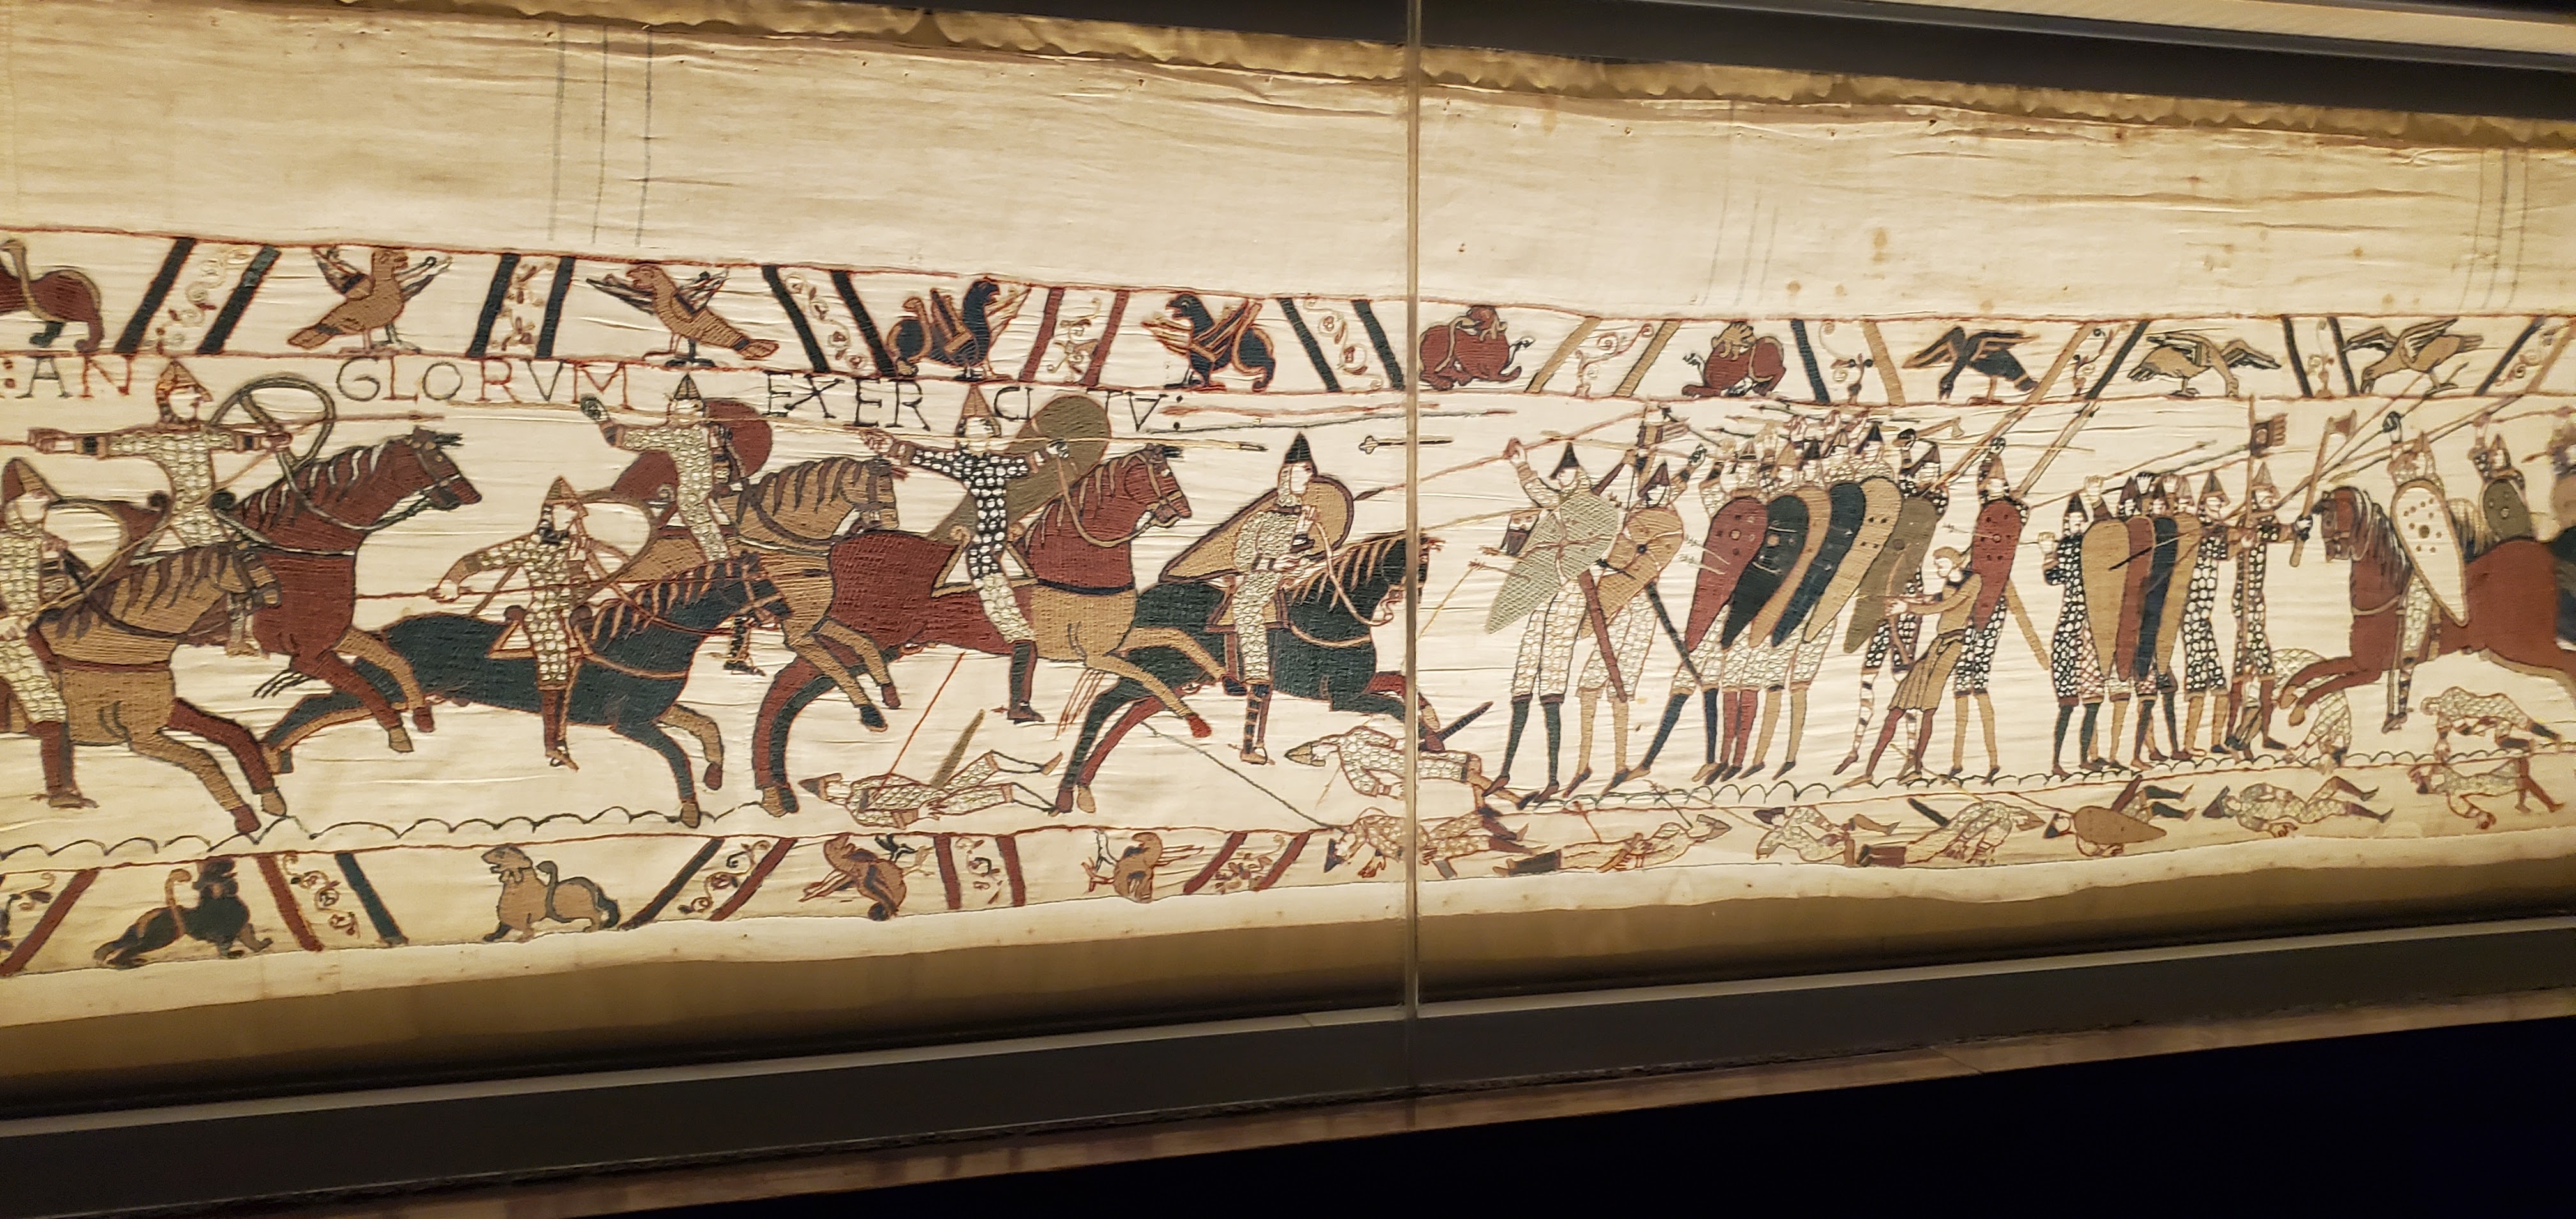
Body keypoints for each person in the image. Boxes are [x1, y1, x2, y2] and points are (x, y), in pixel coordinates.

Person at [31, 361, 288, 654]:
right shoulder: (158, 439)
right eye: (186, 392)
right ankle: (227, 631)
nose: (196, 399)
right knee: (232, 562)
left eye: (196, 393)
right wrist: (63, 444)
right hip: (187, 515)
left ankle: (241, 630)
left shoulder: (203, 433)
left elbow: (237, 440)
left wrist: (270, 441)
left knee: (254, 550)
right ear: (167, 400)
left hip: (209, 511)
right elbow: (115, 444)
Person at [859, 387, 1043, 722]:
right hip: (984, 559)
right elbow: (924, 457)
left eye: (983, 427)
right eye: (971, 429)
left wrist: (1055, 450)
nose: (978, 433)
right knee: (1021, 636)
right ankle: (1019, 705)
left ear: (991, 431)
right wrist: (891, 447)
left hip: (1000, 550)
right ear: (962, 435)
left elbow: (1024, 465)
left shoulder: (998, 464)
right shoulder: (963, 463)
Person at [434, 478, 614, 769]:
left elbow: (587, 584)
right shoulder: (530, 546)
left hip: (577, 612)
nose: (574, 516)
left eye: (575, 511)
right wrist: (451, 581)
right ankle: (554, 743)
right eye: (568, 509)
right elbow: (478, 560)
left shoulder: (576, 545)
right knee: (555, 659)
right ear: (550, 512)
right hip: (546, 614)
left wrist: (581, 566)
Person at [1487, 440, 1619, 804]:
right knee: (1524, 675)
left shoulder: (1595, 510)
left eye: (1566, 475)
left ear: (1579, 475)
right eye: (1559, 476)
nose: (1560, 480)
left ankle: (1552, 778)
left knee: (1552, 683)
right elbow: (1544, 496)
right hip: (1544, 591)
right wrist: (1521, 466)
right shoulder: (1565, 503)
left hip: (1570, 593)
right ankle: (1505, 771)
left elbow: (1588, 542)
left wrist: (1561, 567)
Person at [1222, 433, 1330, 763]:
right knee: (1247, 605)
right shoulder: (1262, 519)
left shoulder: (1305, 517)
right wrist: (1273, 564)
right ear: (1286, 475)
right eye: (1304, 470)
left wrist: (1303, 535)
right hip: (1261, 580)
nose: (1310, 475)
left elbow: (1302, 552)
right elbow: (1242, 558)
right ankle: (1255, 674)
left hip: (1294, 580)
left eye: (1311, 470)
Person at [1854, 546, 1978, 784]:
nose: (1937, 568)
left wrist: (1909, 608)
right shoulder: (1951, 583)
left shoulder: (1973, 582)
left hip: (1953, 646)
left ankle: (1917, 768)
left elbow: (1947, 606)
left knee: (1928, 708)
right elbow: (1936, 599)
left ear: (1955, 563)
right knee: (1898, 705)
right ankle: (1868, 772)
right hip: (1938, 644)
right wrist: (1903, 600)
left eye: (1941, 563)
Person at [0, 460, 84, 806]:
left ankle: (61, 790)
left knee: (52, 710)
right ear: (13, 501)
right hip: (6, 634)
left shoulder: (42, 542)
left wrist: (51, 561)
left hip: (21, 638)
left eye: (45, 497)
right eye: (37, 496)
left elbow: (55, 596)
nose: (45, 503)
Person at [581, 374, 733, 564]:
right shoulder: (699, 432)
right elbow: (719, 456)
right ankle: (720, 557)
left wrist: (604, 421)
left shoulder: (681, 435)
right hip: (695, 488)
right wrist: (721, 475)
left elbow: (625, 439)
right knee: (694, 510)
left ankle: (720, 559)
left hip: (695, 490)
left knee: (693, 509)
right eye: (678, 410)